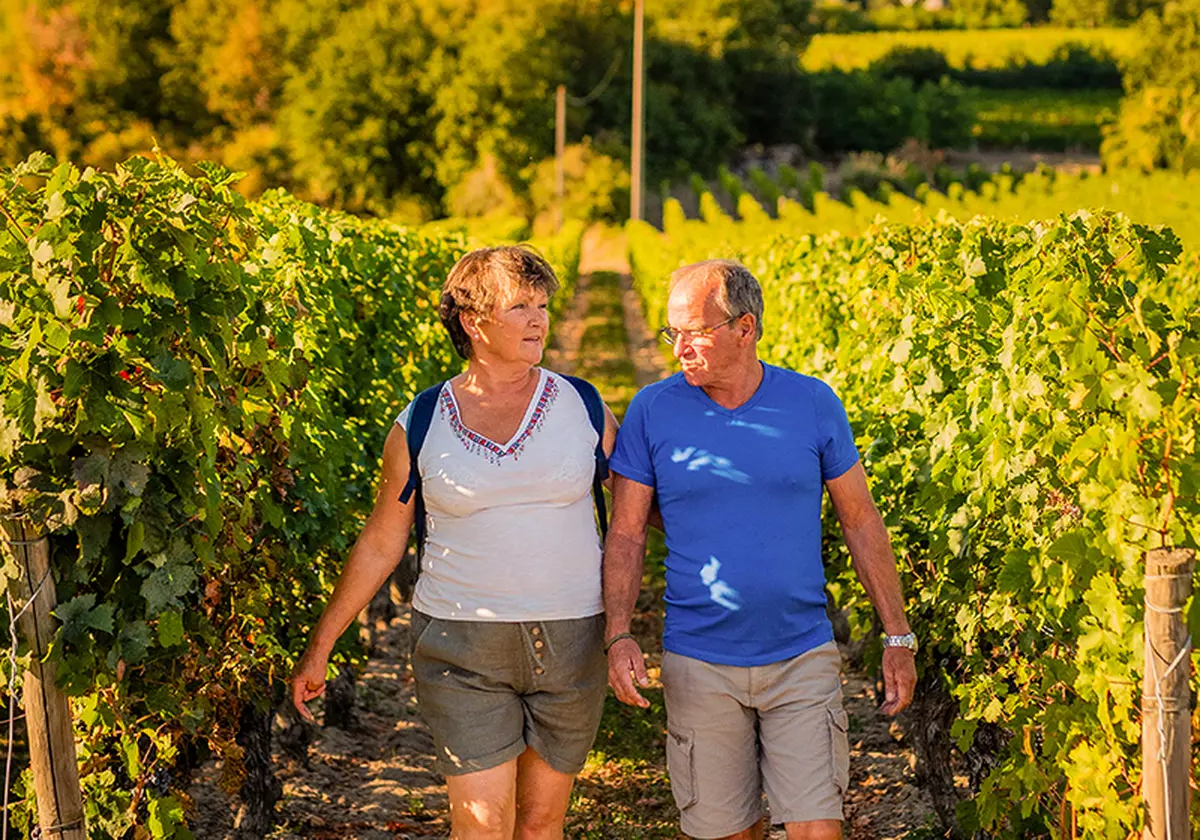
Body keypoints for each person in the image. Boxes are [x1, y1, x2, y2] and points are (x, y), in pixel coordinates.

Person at [292, 245, 617, 840]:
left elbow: (636, 509)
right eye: (520, 306)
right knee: (482, 826)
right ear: (473, 321)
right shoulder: (420, 422)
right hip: (462, 645)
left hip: (572, 640)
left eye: (543, 305)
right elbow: (381, 542)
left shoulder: (584, 405)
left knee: (541, 824)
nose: (539, 319)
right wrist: (323, 644)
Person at [602, 259, 917, 840]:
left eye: (693, 333)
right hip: (698, 663)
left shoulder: (812, 403)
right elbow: (625, 530)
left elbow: (860, 520)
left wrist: (896, 636)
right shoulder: (653, 409)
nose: (679, 350)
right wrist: (619, 633)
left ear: (744, 328)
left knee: (819, 830)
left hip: (802, 658)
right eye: (671, 334)